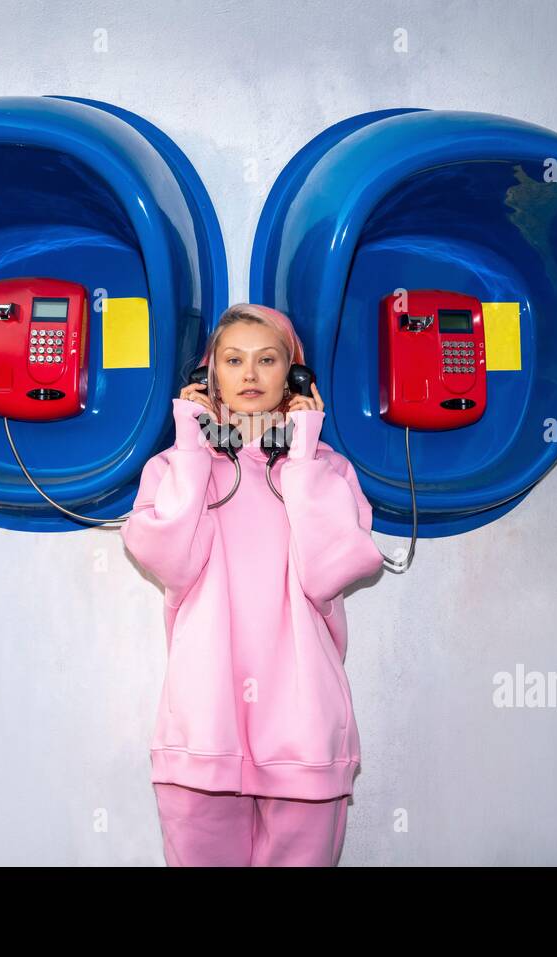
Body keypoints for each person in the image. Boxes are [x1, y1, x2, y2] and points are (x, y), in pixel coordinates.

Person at [121, 303, 385, 866]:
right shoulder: (173, 468)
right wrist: (193, 448)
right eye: (233, 359)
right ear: (207, 373)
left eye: (268, 360)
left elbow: (326, 572)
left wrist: (304, 455)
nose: (249, 374)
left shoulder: (328, 472)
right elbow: (170, 559)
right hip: (205, 725)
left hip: (303, 728)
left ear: (294, 376)